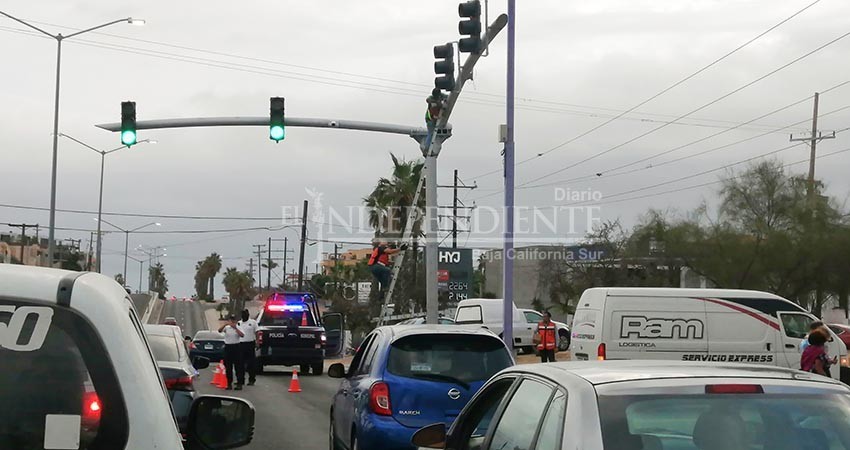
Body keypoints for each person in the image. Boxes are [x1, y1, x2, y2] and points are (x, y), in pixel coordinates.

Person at [218, 314, 244, 390]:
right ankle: (229, 383)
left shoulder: (239, 327)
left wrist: (235, 328)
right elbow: (219, 330)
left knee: (238, 366)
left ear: (236, 321)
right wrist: (225, 324)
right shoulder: (227, 328)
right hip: (228, 347)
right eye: (231, 320)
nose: (232, 321)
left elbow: (242, 335)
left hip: (236, 347)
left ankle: (239, 383)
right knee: (228, 367)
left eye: (233, 320)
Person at [238, 309, 259, 386]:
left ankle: (251, 380)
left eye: (245, 314)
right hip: (241, 344)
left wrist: (257, 342)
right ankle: (241, 380)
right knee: (240, 364)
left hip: (250, 344)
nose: (244, 315)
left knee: (251, 363)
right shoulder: (239, 323)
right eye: (243, 314)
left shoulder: (253, 322)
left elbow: (257, 332)